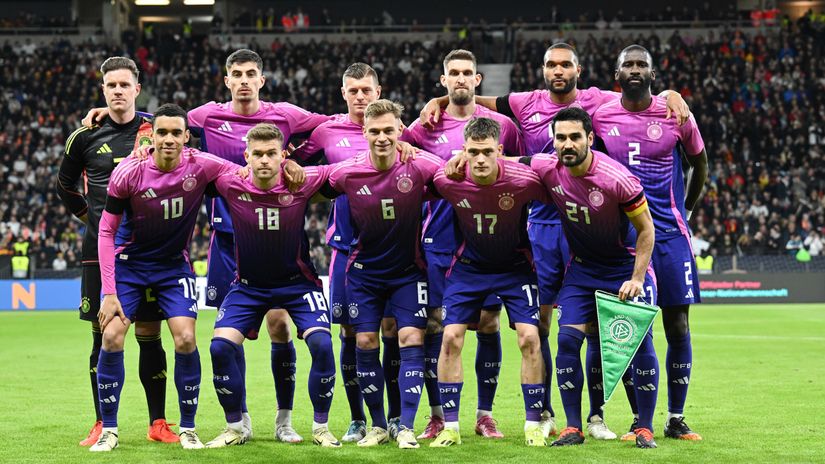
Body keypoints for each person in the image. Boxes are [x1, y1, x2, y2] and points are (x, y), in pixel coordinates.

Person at [427, 42, 690, 440]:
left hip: (585, 224)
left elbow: (636, 93)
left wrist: (669, 93)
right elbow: (487, 113)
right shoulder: (525, 103)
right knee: (547, 327)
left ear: (578, 70)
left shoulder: (598, 101)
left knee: (611, 333)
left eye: (566, 64)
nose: (558, 70)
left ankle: (611, 416)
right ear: (543, 69)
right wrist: (442, 100)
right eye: (551, 64)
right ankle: (548, 412)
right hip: (543, 223)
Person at [84, 48, 333, 443]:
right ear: (227, 79)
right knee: (223, 338)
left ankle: (283, 421)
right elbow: (167, 123)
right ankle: (239, 421)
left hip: (274, 234)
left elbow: (331, 126)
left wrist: (291, 160)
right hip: (225, 239)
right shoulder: (205, 116)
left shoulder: (283, 115)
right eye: (238, 73)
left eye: (252, 73)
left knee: (279, 327)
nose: (245, 79)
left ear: (261, 79)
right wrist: (115, 118)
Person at [91, 104, 237, 452]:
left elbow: (247, 173)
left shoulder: (201, 165)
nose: (169, 139)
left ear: (187, 137)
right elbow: (106, 231)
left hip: (174, 267)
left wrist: (288, 161)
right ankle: (109, 429)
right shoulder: (129, 172)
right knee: (111, 336)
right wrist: (109, 291)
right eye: (162, 132)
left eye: (176, 133)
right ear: (151, 136)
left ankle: (187, 427)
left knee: (186, 339)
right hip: (129, 265)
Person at [400, 49, 526, 439]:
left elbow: (520, 165)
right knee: (437, 325)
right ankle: (439, 415)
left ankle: (484, 414)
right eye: (452, 73)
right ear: (443, 81)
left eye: (466, 73)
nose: (459, 78)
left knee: (488, 323)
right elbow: (406, 169)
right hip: (438, 239)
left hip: (487, 241)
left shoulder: (502, 125)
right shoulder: (423, 127)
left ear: (477, 80)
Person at [291, 63, 414, 442]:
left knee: (394, 330)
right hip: (346, 249)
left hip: (395, 253)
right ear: (343, 93)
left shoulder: (403, 133)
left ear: (379, 92)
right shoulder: (325, 131)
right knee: (351, 332)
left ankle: (396, 417)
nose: (360, 96)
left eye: (366, 90)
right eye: (353, 91)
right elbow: (296, 165)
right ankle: (359, 418)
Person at [57, 56, 175, 447]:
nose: (118, 91)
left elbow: (188, 141)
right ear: (103, 89)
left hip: (146, 249)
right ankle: (100, 421)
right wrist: (91, 220)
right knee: (103, 333)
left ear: (137, 88)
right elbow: (65, 187)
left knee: (149, 331)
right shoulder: (84, 136)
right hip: (100, 249)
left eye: (125, 85)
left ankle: (158, 421)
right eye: (111, 86)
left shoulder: (152, 129)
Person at [526, 107, 660, 449]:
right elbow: (508, 163)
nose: (567, 144)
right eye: (560, 138)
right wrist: (462, 161)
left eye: (574, 137)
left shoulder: (617, 179)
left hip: (623, 268)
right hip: (583, 270)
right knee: (567, 340)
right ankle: (574, 427)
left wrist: (638, 279)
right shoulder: (548, 168)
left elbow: (647, 230)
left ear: (589, 139)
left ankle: (644, 427)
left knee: (639, 342)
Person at [592, 44, 707, 441]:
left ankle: (675, 418)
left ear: (653, 75)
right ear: (617, 75)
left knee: (678, 324)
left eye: (643, 65)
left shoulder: (674, 112)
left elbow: (700, 163)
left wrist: (686, 211)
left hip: (670, 235)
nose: (636, 70)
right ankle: (640, 419)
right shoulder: (601, 114)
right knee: (632, 328)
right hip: (626, 238)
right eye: (629, 65)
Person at [204, 124, 340, 448]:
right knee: (220, 347)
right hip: (249, 286)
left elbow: (348, 166)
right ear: (246, 156)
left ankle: (311, 426)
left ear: (283, 156)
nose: (264, 160)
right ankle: (237, 426)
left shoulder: (301, 182)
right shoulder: (229, 182)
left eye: (271, 154)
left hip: (298, 285)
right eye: (258, 154)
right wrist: (147, 143)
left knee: (321, 345)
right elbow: (187, 156)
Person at [324, 100, 443, 448]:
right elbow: (309, 183)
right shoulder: (346, 171)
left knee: (410, 339)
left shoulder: (420, 166)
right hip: (363, 274)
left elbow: (452, 171)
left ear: (399, 131)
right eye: (374, 131)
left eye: (388, 130)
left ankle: (404, 425)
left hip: (408, 273)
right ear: (364, 132)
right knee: (364, 341)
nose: (381, 137)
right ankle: (377, 425)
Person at [428, 117, 550, 448]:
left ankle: (533, 425)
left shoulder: (524, 179)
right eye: (472, 152)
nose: (479, 159)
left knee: (529, 337)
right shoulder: (449, 178)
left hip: (514, 268)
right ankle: (451, 427)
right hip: (468, 267)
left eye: (486, 152)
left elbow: (560, 188)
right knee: (450, 337)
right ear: (463, 152)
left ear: (499, 151)